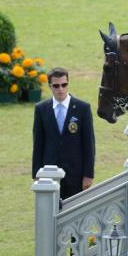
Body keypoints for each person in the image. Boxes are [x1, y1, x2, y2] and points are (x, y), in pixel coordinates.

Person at [32, 67, 95, 200]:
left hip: (75, 173)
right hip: (49, 173)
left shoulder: (82, 108)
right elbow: (38, 143)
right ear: (50, 86)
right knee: (49, 213)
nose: (60, 89)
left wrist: (88, 174)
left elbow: (89, 144)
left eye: (64, 85)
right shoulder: (41, 109)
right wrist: (36, 173)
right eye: (56, 86)